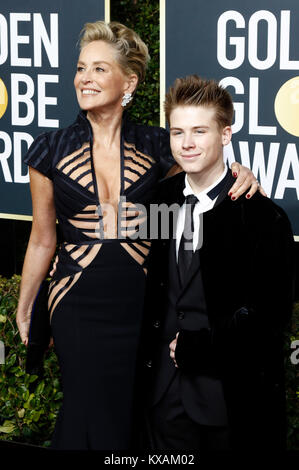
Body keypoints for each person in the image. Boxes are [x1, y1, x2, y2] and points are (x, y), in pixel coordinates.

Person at [16, 21, 261, 451]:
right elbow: (41, 239)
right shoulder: (48, 149)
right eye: (80, 68)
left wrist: (240, 171)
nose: (84, 79)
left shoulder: (158, 145)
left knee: (133, 415)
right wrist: (26, 305)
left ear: (128, 81)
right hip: (76, 301)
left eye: (98, 69)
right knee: (84, 408)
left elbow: (196, 185)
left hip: (141, 304)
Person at [141, 75, 295, 452]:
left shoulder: (263, 218)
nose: (187, 143)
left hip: (229, 401)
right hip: (163, 399)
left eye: (199, 131)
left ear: (225, 135)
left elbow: (270, 320)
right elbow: (156, 280)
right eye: (178, 132)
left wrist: (203, 347)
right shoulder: (162, 198)